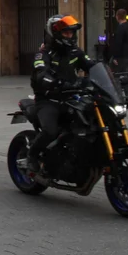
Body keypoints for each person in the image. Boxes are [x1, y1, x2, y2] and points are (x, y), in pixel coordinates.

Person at [27, 15, 95, 175]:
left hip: (72, 98)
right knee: (50, 131)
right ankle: (32, 155)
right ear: (55, 33)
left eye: (71, 33)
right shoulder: (44, 54)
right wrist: (54, 82)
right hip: (49, 100)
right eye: (66, 33)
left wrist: (112, 75)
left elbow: (91, 65)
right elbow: (40, 73)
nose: (70, 36)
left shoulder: (75, 52)